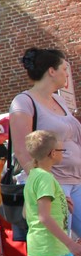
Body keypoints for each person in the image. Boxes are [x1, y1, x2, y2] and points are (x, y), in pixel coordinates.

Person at [9, 48, 81, 237]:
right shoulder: (23, 102)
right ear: (51, 71)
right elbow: (22, 150)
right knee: (56, 245)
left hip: (76, 180)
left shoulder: (59, 100)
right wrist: (49, 187)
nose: (67, 74)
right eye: (64, 68)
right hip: (55, 182)